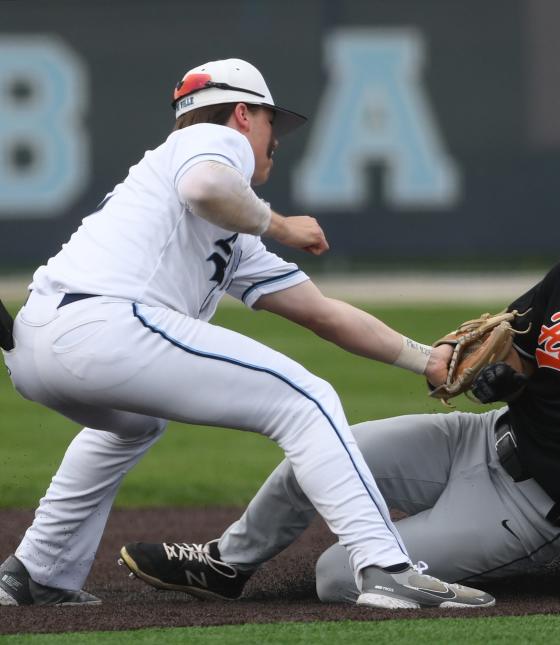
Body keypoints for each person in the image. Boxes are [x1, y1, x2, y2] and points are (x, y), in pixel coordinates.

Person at [120, 167, 560, 604]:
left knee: (340, 575)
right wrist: (499, 373)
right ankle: (226, 564)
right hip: (473, 441)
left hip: (529, 512)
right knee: (315, 456)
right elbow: (496, 352)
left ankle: (450, 584)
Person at [0, 58, 495, 610]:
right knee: (307, 400)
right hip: (104, 325)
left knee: (134, 426)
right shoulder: (214, 141)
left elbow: (322, 313)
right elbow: (206, 183)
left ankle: (36, 571)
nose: (274, 140)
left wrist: (426, 359)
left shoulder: (222, 227)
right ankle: (386, 568)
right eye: (270, 123)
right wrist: (282, 224)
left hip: (36, 343)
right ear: (241, 114)